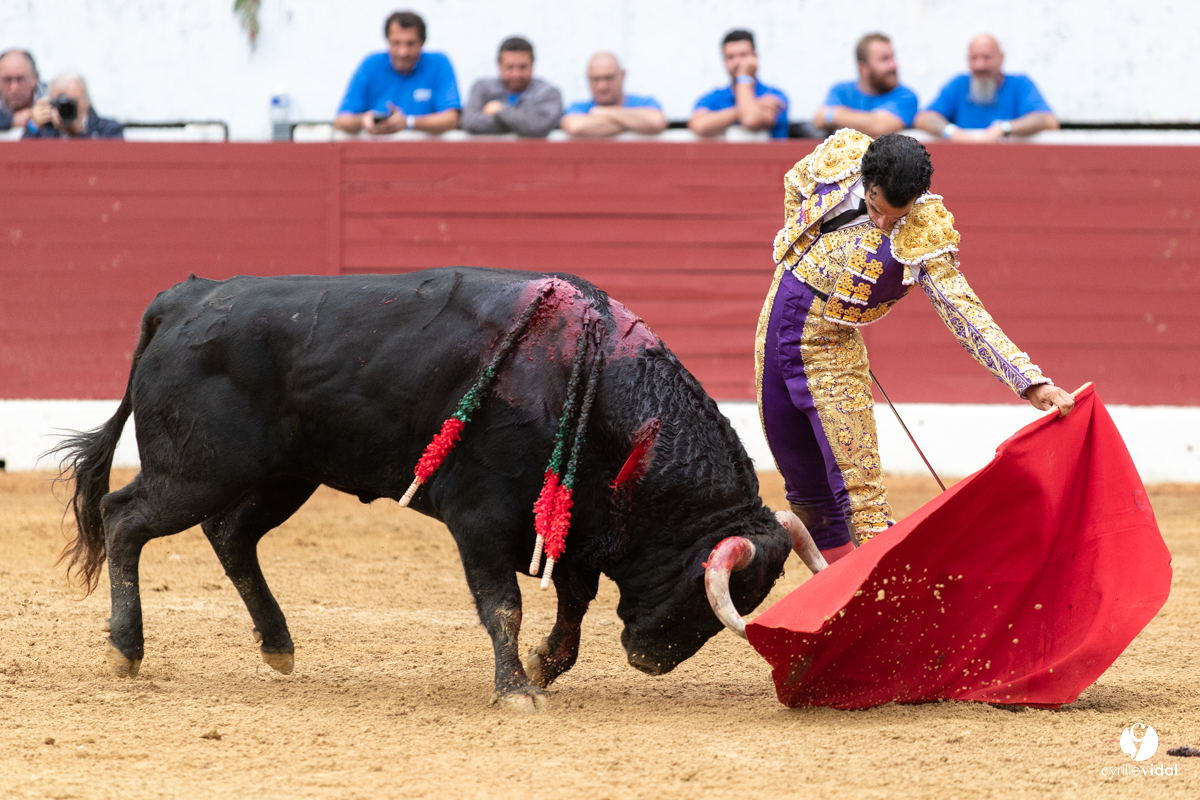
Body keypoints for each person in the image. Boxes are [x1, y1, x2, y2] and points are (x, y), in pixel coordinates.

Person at [757, 129, 1073, 565]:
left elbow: (963, 312)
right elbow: (796, 181)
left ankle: (884, 608)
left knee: (863, 502)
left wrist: (1029, 382)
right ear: (865, 181)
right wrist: (800, 250)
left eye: (896, 215)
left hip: (831, 352)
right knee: (804, 487)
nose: (884, 223)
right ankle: (834, 603)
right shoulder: (842, 156)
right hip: (772, 332)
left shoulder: (924, 230)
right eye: (875, 209)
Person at [334, 10, 460, 136]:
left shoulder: (438, 64)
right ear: (388, 41)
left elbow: (452, 119)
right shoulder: (371, 64)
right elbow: (341, 121)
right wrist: (363, 120)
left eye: (410, 44)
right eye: (396, 43)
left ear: (422, 42)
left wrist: (409, 122)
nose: (403, 52)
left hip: (425, 153)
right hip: (377, 151)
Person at [915, 34, 1058, 141]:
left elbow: (1047, 120)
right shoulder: (959, 84)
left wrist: (1004, 128)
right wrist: (952, 132)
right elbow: (923, 118)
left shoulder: (1019, 84)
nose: (980, 65)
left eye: (986, 57)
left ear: (1001, 58)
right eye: (974, 58)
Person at [813, 33, 918, 138]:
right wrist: (868, 122)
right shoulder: (841, 90)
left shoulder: (905, 96)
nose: (893, 65)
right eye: (884, 59)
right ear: (863, 68)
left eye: (892, 57)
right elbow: (818, 119)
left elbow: (880, 128)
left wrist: (832, 115)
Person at [688, 29, 788, 139]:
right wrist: (752, 106)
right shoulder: (714, 97)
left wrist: (743, 76)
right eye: (730, 57)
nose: (737, 62)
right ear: (724, 61)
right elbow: (698, 126)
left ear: (755, 57)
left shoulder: (775, 95)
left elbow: (750, 120)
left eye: (743, 55)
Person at [461, 37, 562, 138]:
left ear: (532, 65)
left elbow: (540, 126)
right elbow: (470, 122)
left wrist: (500, 110)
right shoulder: (483, 88)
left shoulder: (548, 93)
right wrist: (523, 124)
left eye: (522, 67)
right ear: (499, 65)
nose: (516, 74)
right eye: (510, 67)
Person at [560, 52, 667, 137]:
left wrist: (604, 112)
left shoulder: (645, 103)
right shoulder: (578, 107)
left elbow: (657, 122)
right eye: (595, 79)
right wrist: (633, 124)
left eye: (608, 78)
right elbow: (575, 127)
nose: (602, 86)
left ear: (622, 75)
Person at [23, 72, 123, 139]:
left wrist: (79, 132)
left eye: (72, 102)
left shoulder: (109, 129)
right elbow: (18, 161)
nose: (67, 109)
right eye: (61, 104)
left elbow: (112, 164)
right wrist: (34, 125)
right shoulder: (45, 131)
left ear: (86, 101)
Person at [0, 49, 42, 131]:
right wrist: (11, 120)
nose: (14, 88)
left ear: (35, 78)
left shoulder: (51, 95)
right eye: (7, 80)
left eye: (20, 79)